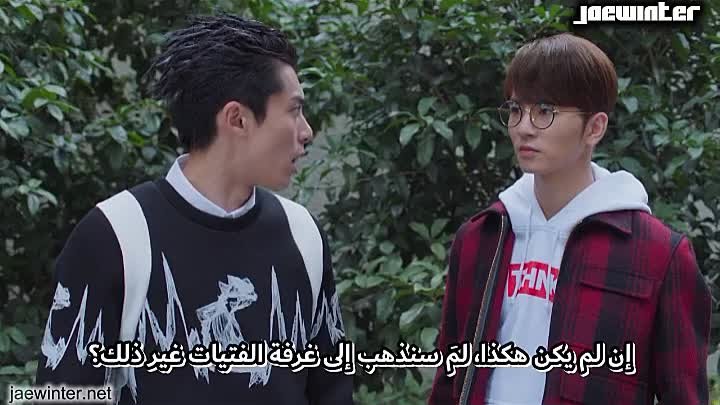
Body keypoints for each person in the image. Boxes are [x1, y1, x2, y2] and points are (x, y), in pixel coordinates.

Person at [35, 14, 353, 405]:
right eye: (294, 110)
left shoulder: (302, 234)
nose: (306, 132)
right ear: (237, 118)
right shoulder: (115, 235)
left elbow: (332, 392)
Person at [429, 32, 711, 405]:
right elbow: (450, 378)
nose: (524, 126)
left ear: (594, 127)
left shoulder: (659, 254)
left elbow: (684, 395)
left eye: (545, 111)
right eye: (515, 109)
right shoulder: (482, 236)